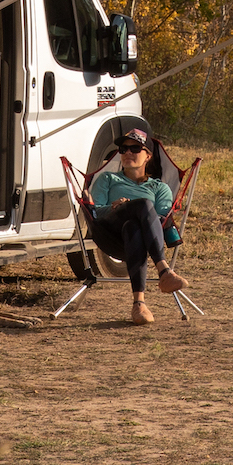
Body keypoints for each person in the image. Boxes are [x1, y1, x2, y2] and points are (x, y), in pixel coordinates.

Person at [87, 125, 189, 324]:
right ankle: (164, 271)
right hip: (110, 234)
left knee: (135, 224)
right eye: (123, 150)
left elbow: (161, 221)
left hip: (138, 238)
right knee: (142, 205)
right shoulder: (108, 179)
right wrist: (117, 207)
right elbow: (96, 212)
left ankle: (139, 304)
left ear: (148, 156)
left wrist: (135, 209)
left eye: (135, 149)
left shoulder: (160, 188)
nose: (127, 153)